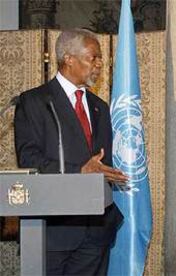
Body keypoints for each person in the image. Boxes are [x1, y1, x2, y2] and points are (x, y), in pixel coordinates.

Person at [14, 29, 128, 275]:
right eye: (92, 57)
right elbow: (29, 160)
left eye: (100, 58)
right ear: (68, 58)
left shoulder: (100, 107)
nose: (99, 64)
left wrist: (107, 173)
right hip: (53, 233)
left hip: (96, 231)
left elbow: (101, 160)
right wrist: (80, 171)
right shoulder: (34, 101)